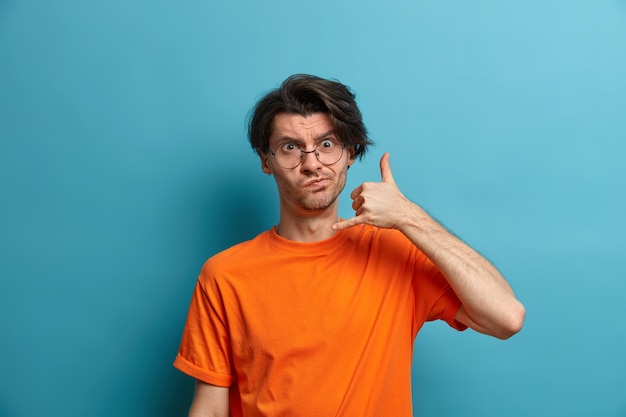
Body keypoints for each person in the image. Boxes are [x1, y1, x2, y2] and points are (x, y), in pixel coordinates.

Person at [173, 74, 525, 417]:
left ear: (351, 152)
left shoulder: (395, 252)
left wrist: (409, 217)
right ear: (267, 161)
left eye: (326, 144)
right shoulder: (224, 276)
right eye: (290, 147)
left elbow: (506, 317)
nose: (311, 163)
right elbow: (210, 408)